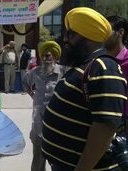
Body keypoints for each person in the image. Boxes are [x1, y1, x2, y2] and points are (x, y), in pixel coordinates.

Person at [42, 7, 127, 171]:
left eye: (71, 34)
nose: (65, 39)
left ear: (90, 38)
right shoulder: (86, 65)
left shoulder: (103, 67)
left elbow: (106, 125)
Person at [23, 41, 61, 171]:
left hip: (57, 123)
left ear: (55, 56)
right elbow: (25, 82)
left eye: (48, 56)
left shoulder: (63, 72)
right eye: (43, 56)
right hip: (38, 121)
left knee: (57, 160)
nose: (45, 58)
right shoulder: (35, 72)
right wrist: (33, 96)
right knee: (38, 158)